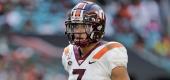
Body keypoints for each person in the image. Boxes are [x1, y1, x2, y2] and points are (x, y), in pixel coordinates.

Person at [62, 1, 130, 80]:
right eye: (75, 26)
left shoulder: (110, 52)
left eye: (84, 26)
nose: (77, 31)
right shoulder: (69, 53)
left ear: (97, 27)